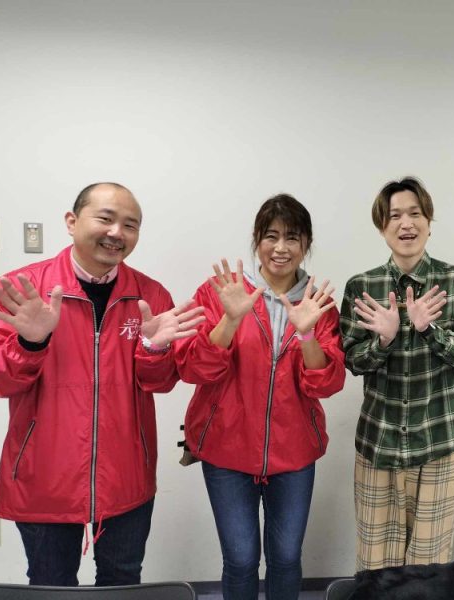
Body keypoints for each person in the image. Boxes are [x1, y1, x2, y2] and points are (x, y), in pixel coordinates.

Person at [0, 182, 205, 586]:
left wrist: (153, 348)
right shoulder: (23, 291)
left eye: (130, 225)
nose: (117, 233)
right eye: (106, 218)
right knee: (50, 583)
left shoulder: (149, 295)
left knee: (122, 580)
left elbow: (160, 383)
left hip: (126, 474)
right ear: (72, 222)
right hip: (43, 475)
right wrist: (30, 343)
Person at [174, 194, 345, 600]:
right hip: (226, 450)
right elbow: (193, 368)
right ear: (257, 240)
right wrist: (231, 320)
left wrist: (306, 333)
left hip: (294, 453)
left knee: (286, 558)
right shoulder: (220, 292)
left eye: (292, 237)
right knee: (240, 559)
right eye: (271, 236)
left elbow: (325, 384)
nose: (281, 248)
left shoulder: (317, 305)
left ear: (306, 244)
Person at [339, 176, 454, 572]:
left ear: (429, 222)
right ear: (382, 227)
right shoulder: (362, 286)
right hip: (378, 444)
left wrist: (429, 329)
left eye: (415, 214)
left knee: (429, 570)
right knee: (376, 567)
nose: (406, 224)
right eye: (395, 216)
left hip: (437, 442)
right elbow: (352, 362)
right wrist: (383, 341)